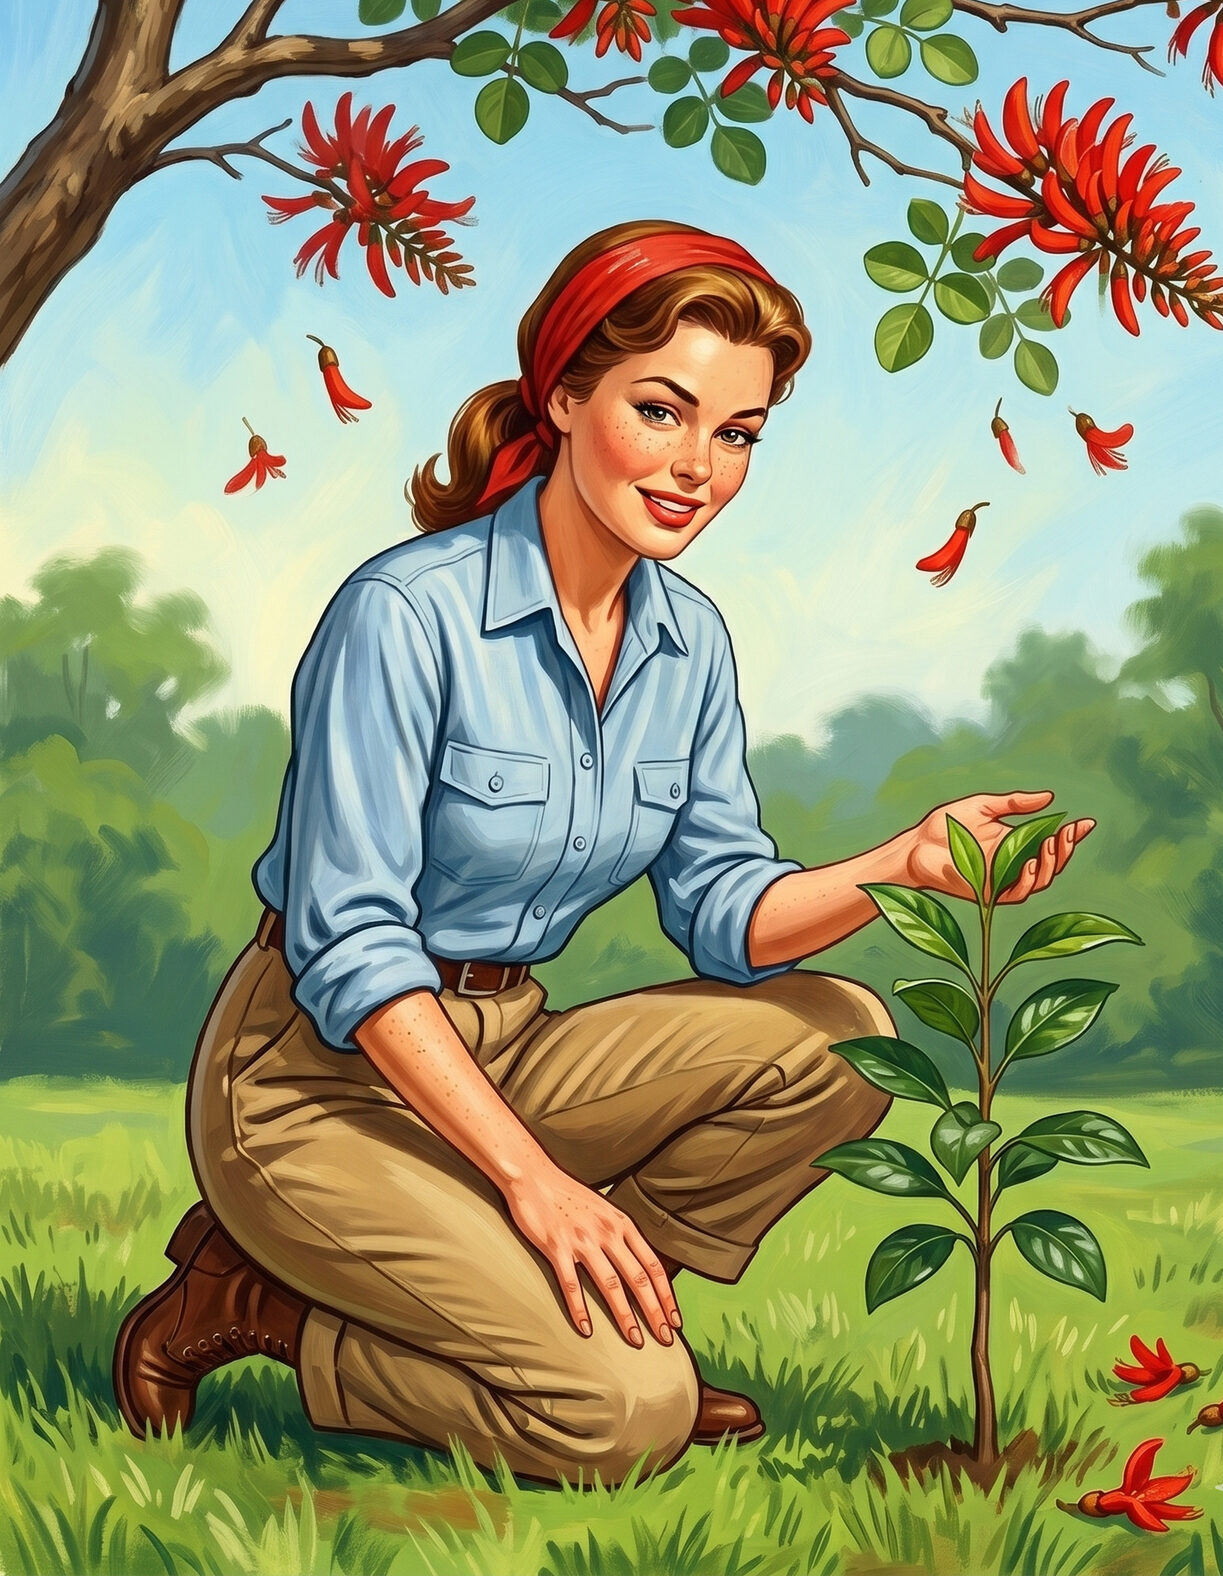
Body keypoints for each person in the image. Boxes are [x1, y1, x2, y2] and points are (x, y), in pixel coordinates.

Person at [113, 219, 1093, 1485]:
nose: (697, 466)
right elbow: (351, 948)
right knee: (622, 1422)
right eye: (662, 410)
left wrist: (908, 863)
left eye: (735, 433)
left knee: (841, 1032)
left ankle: (601, 1313)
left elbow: (724, 911)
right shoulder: (404, 614)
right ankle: (255, 1308)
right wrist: (533, 1182)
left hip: (511, 1046)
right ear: (565, 395)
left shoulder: (686, 642)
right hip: (316, 1079)